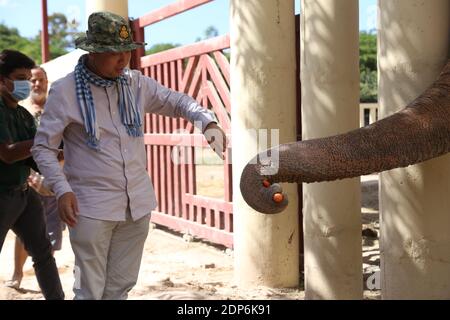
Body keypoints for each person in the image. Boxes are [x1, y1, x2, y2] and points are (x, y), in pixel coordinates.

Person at [32, 12, 227, 300]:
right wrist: (62, 190)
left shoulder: (136, 84)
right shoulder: (65, 91)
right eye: (113, 53)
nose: (122, 60)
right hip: (90, 208)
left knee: (119, 289)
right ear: (94, 51)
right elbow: (43, 148)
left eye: (127, 51)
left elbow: (177, 101)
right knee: (89, 291)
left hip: (137, 205)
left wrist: (206, 121)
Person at [0, 49, 65, 300]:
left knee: (43, 252)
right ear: (2, 79)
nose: (25, 84)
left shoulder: (24, 115)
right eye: (19, 77)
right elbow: (6, 153)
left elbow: (34, 157)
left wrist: (60, 154)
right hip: (2, 195)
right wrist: (45, 141)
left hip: (24, 196)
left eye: (27, 78)